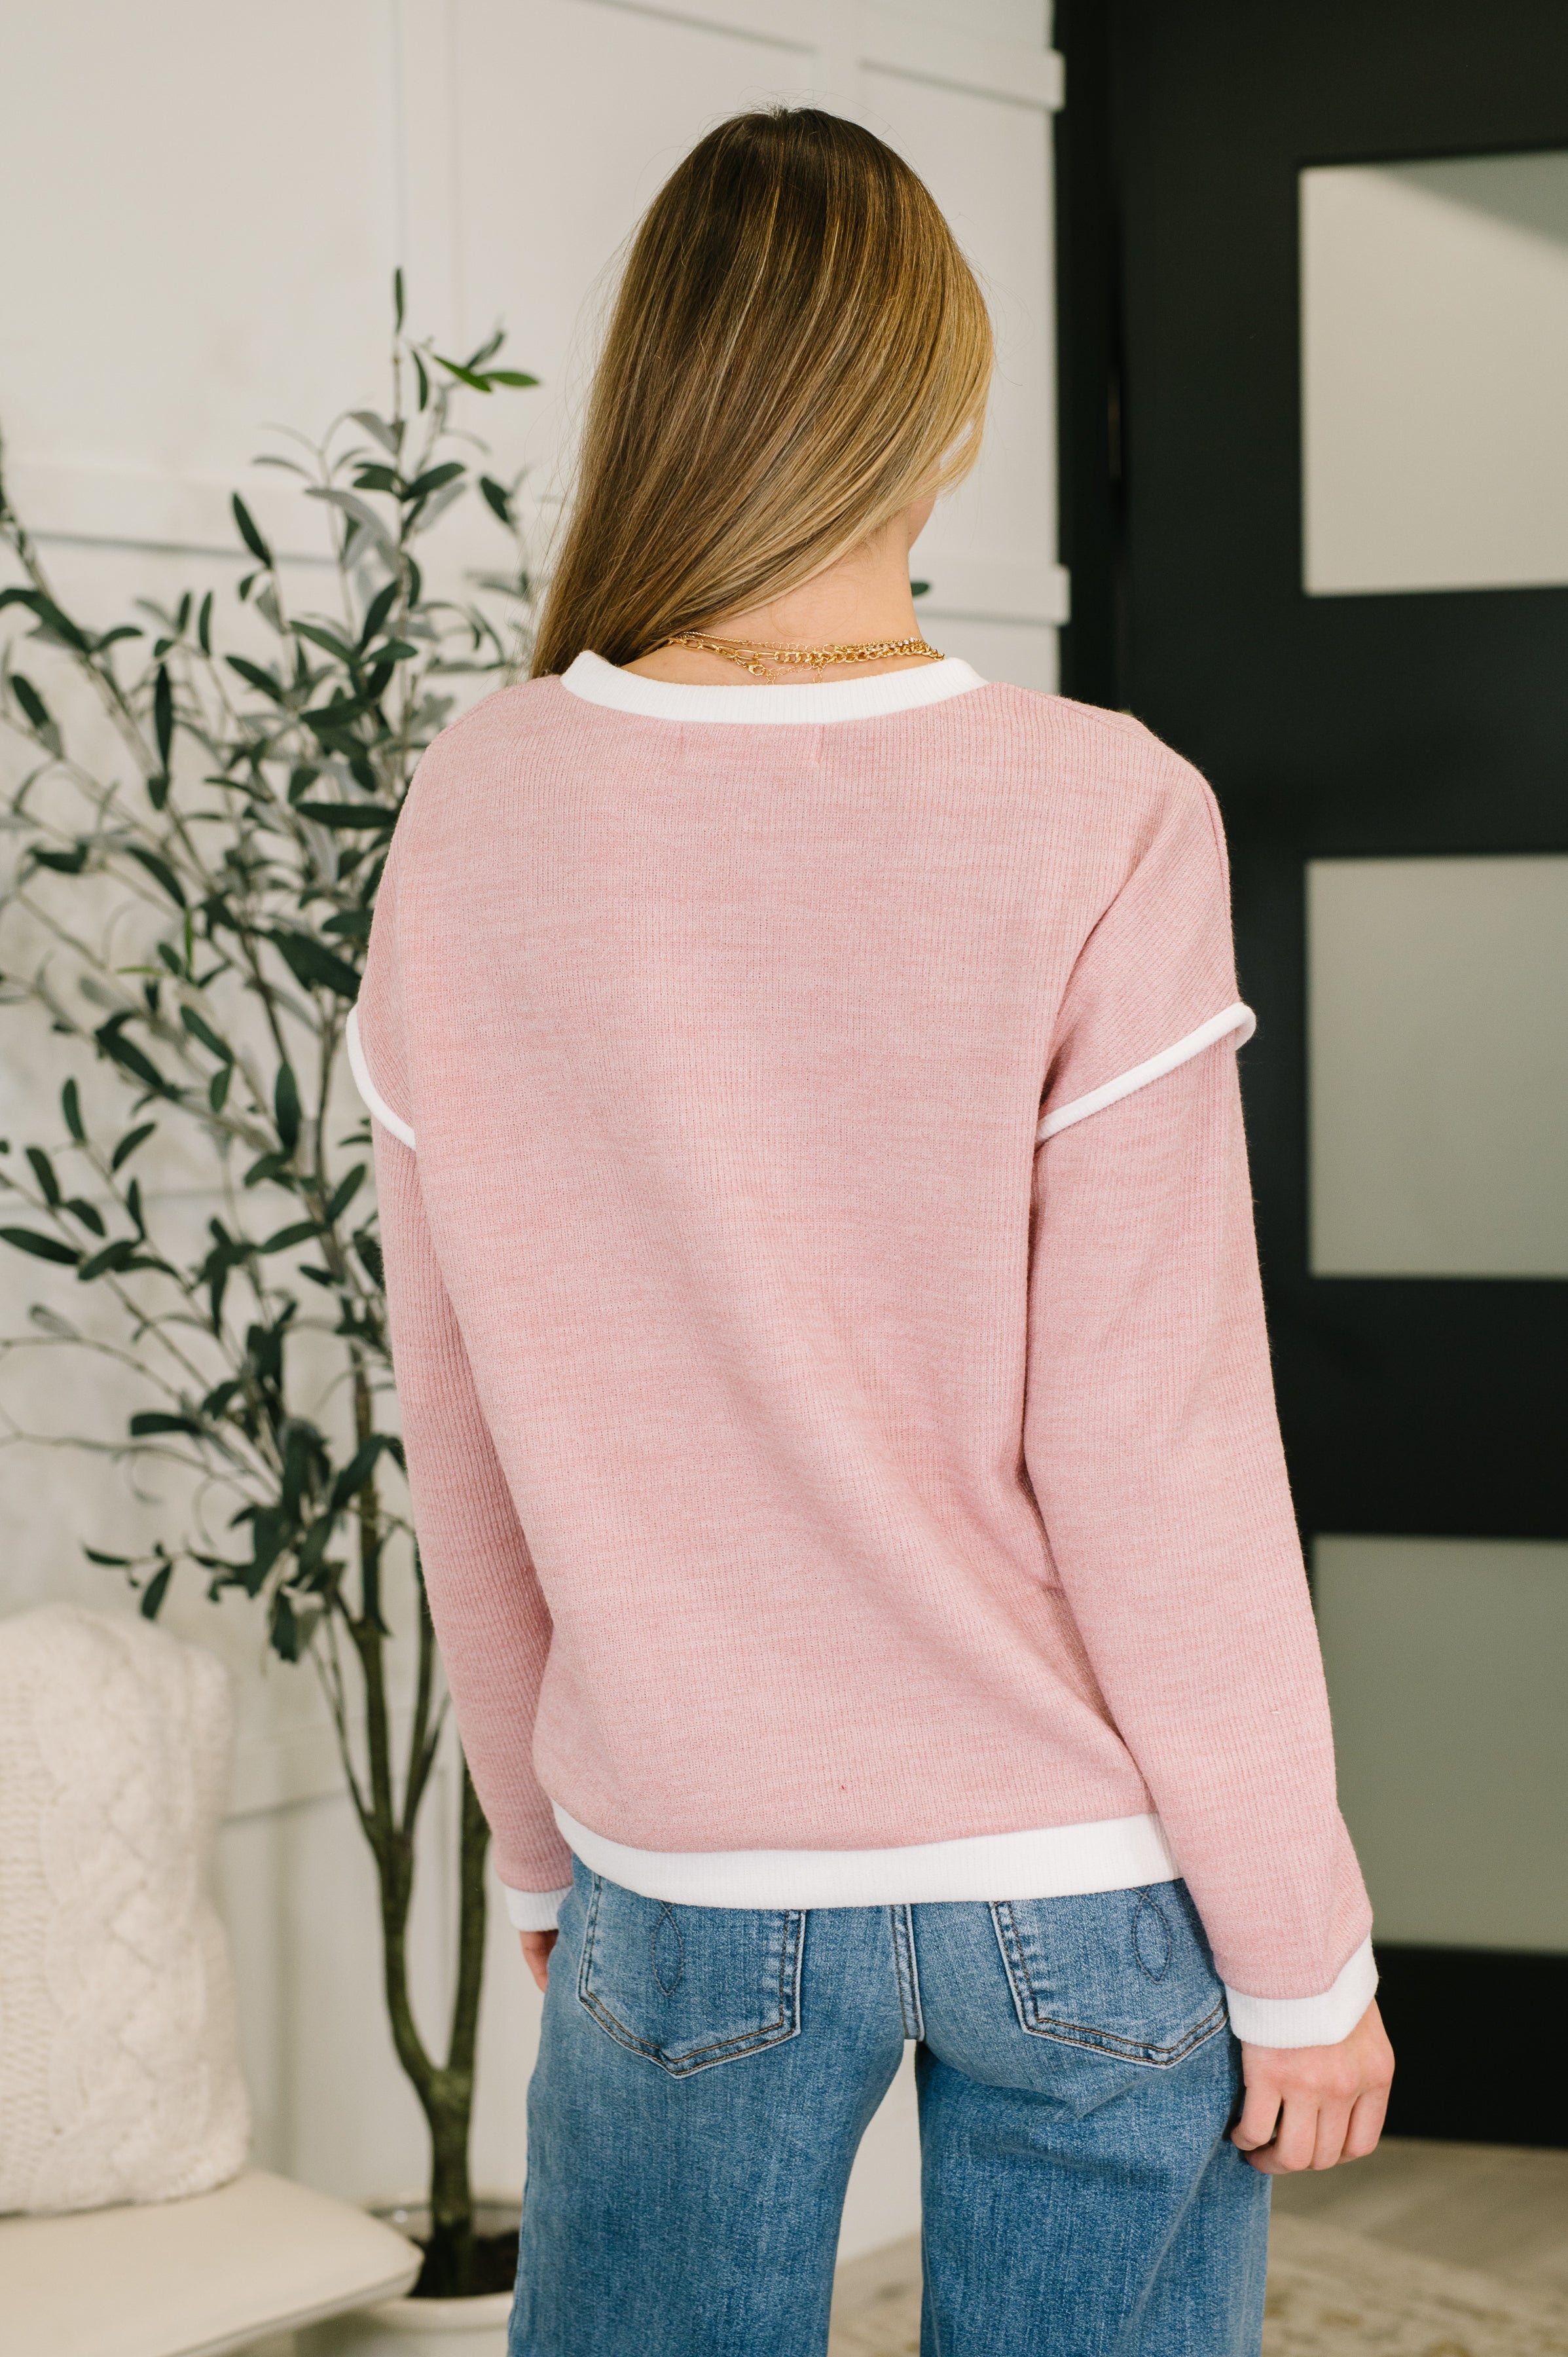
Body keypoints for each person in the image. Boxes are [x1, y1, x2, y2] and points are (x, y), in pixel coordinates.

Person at [349, 106, 1393, 2357]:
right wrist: (1300, 1949)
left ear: (662, 402)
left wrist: (543, 1846)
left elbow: (468, 1432)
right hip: (1075, 1882)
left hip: (685, 1877)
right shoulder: (1103, 806)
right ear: (946, 404)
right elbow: (1160, 1444)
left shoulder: (481, 808)